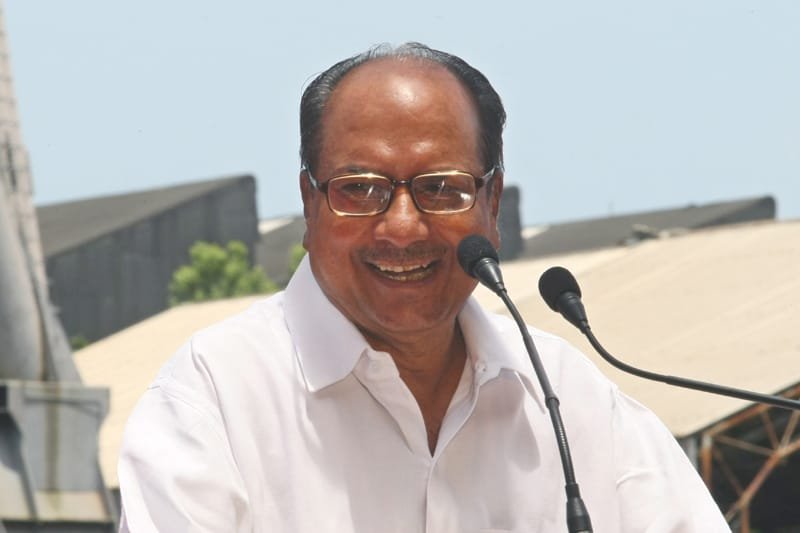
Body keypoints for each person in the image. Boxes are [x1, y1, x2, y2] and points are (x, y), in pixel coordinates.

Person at [118, 43, 730, 532]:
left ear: (492, 202)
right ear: (310, 203)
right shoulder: (214, 396)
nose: (403, 226)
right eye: (359, 188)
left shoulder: (570, 400)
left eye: (441, 188)